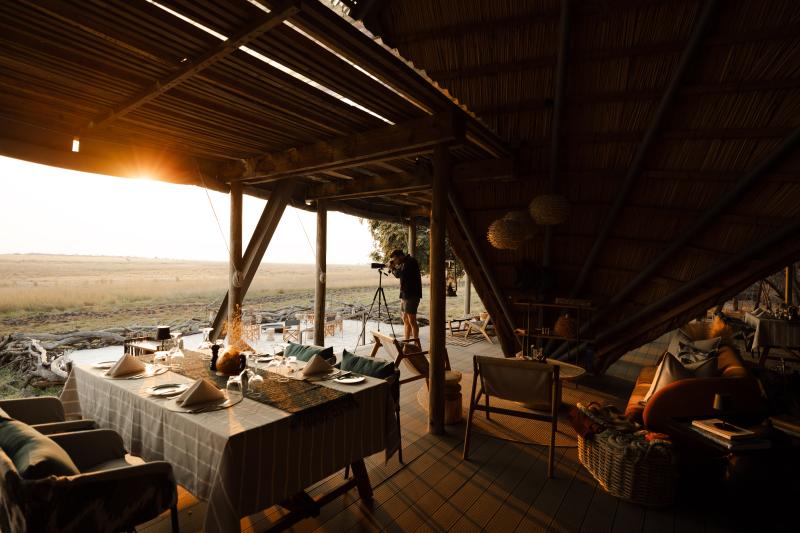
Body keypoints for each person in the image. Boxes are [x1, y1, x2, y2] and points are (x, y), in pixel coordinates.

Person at [388, 249, 422, 340]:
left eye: (395, 259)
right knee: (405, 320)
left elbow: (401, 274)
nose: (395, 261)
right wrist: (393, 268)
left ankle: (416, 343)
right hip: (405, 295)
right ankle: (406, 342)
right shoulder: (404, 263)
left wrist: (392, 268)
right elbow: (398, 275)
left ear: (400, 256)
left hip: (412, 295)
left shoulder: (410, 262)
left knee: (412, 321)